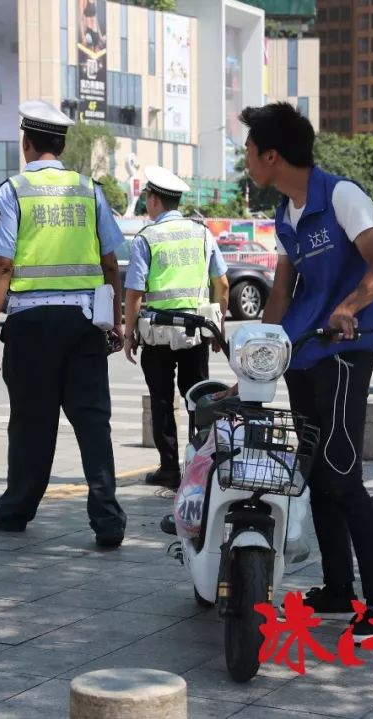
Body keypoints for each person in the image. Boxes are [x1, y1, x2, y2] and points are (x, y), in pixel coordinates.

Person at [237, 102, 373, 644]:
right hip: (304, 352)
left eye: (249, 153)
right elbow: (281, 293)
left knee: (342, 472)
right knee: (317, 474)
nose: (247, 163)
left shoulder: (342, 196)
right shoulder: (286, 213)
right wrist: (254, 351)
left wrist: (350, 306)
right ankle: (336, 588)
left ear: (272, 155)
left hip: (346, 352)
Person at [0, 100, 127, 548]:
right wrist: (116, 318)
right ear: (61, 145)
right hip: (84, 322)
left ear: (27, 142)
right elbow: (110, 264)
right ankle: (107, 519)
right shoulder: (89, 190)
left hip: (31, 323)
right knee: (92, 420)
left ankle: (15, 511)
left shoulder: (13, 190)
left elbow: (2, 265)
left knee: (31, 421)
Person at [122, 165, 230, 490]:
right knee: (198, 398)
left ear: (154, 200)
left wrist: (129, 335)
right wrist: (217, 327)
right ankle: (202, 467)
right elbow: (222, 285)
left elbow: (134, 295)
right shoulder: (202, 233)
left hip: (157, 334)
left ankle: (169, 469)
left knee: (161, 400)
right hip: (196, 332)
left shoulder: (146, 238)